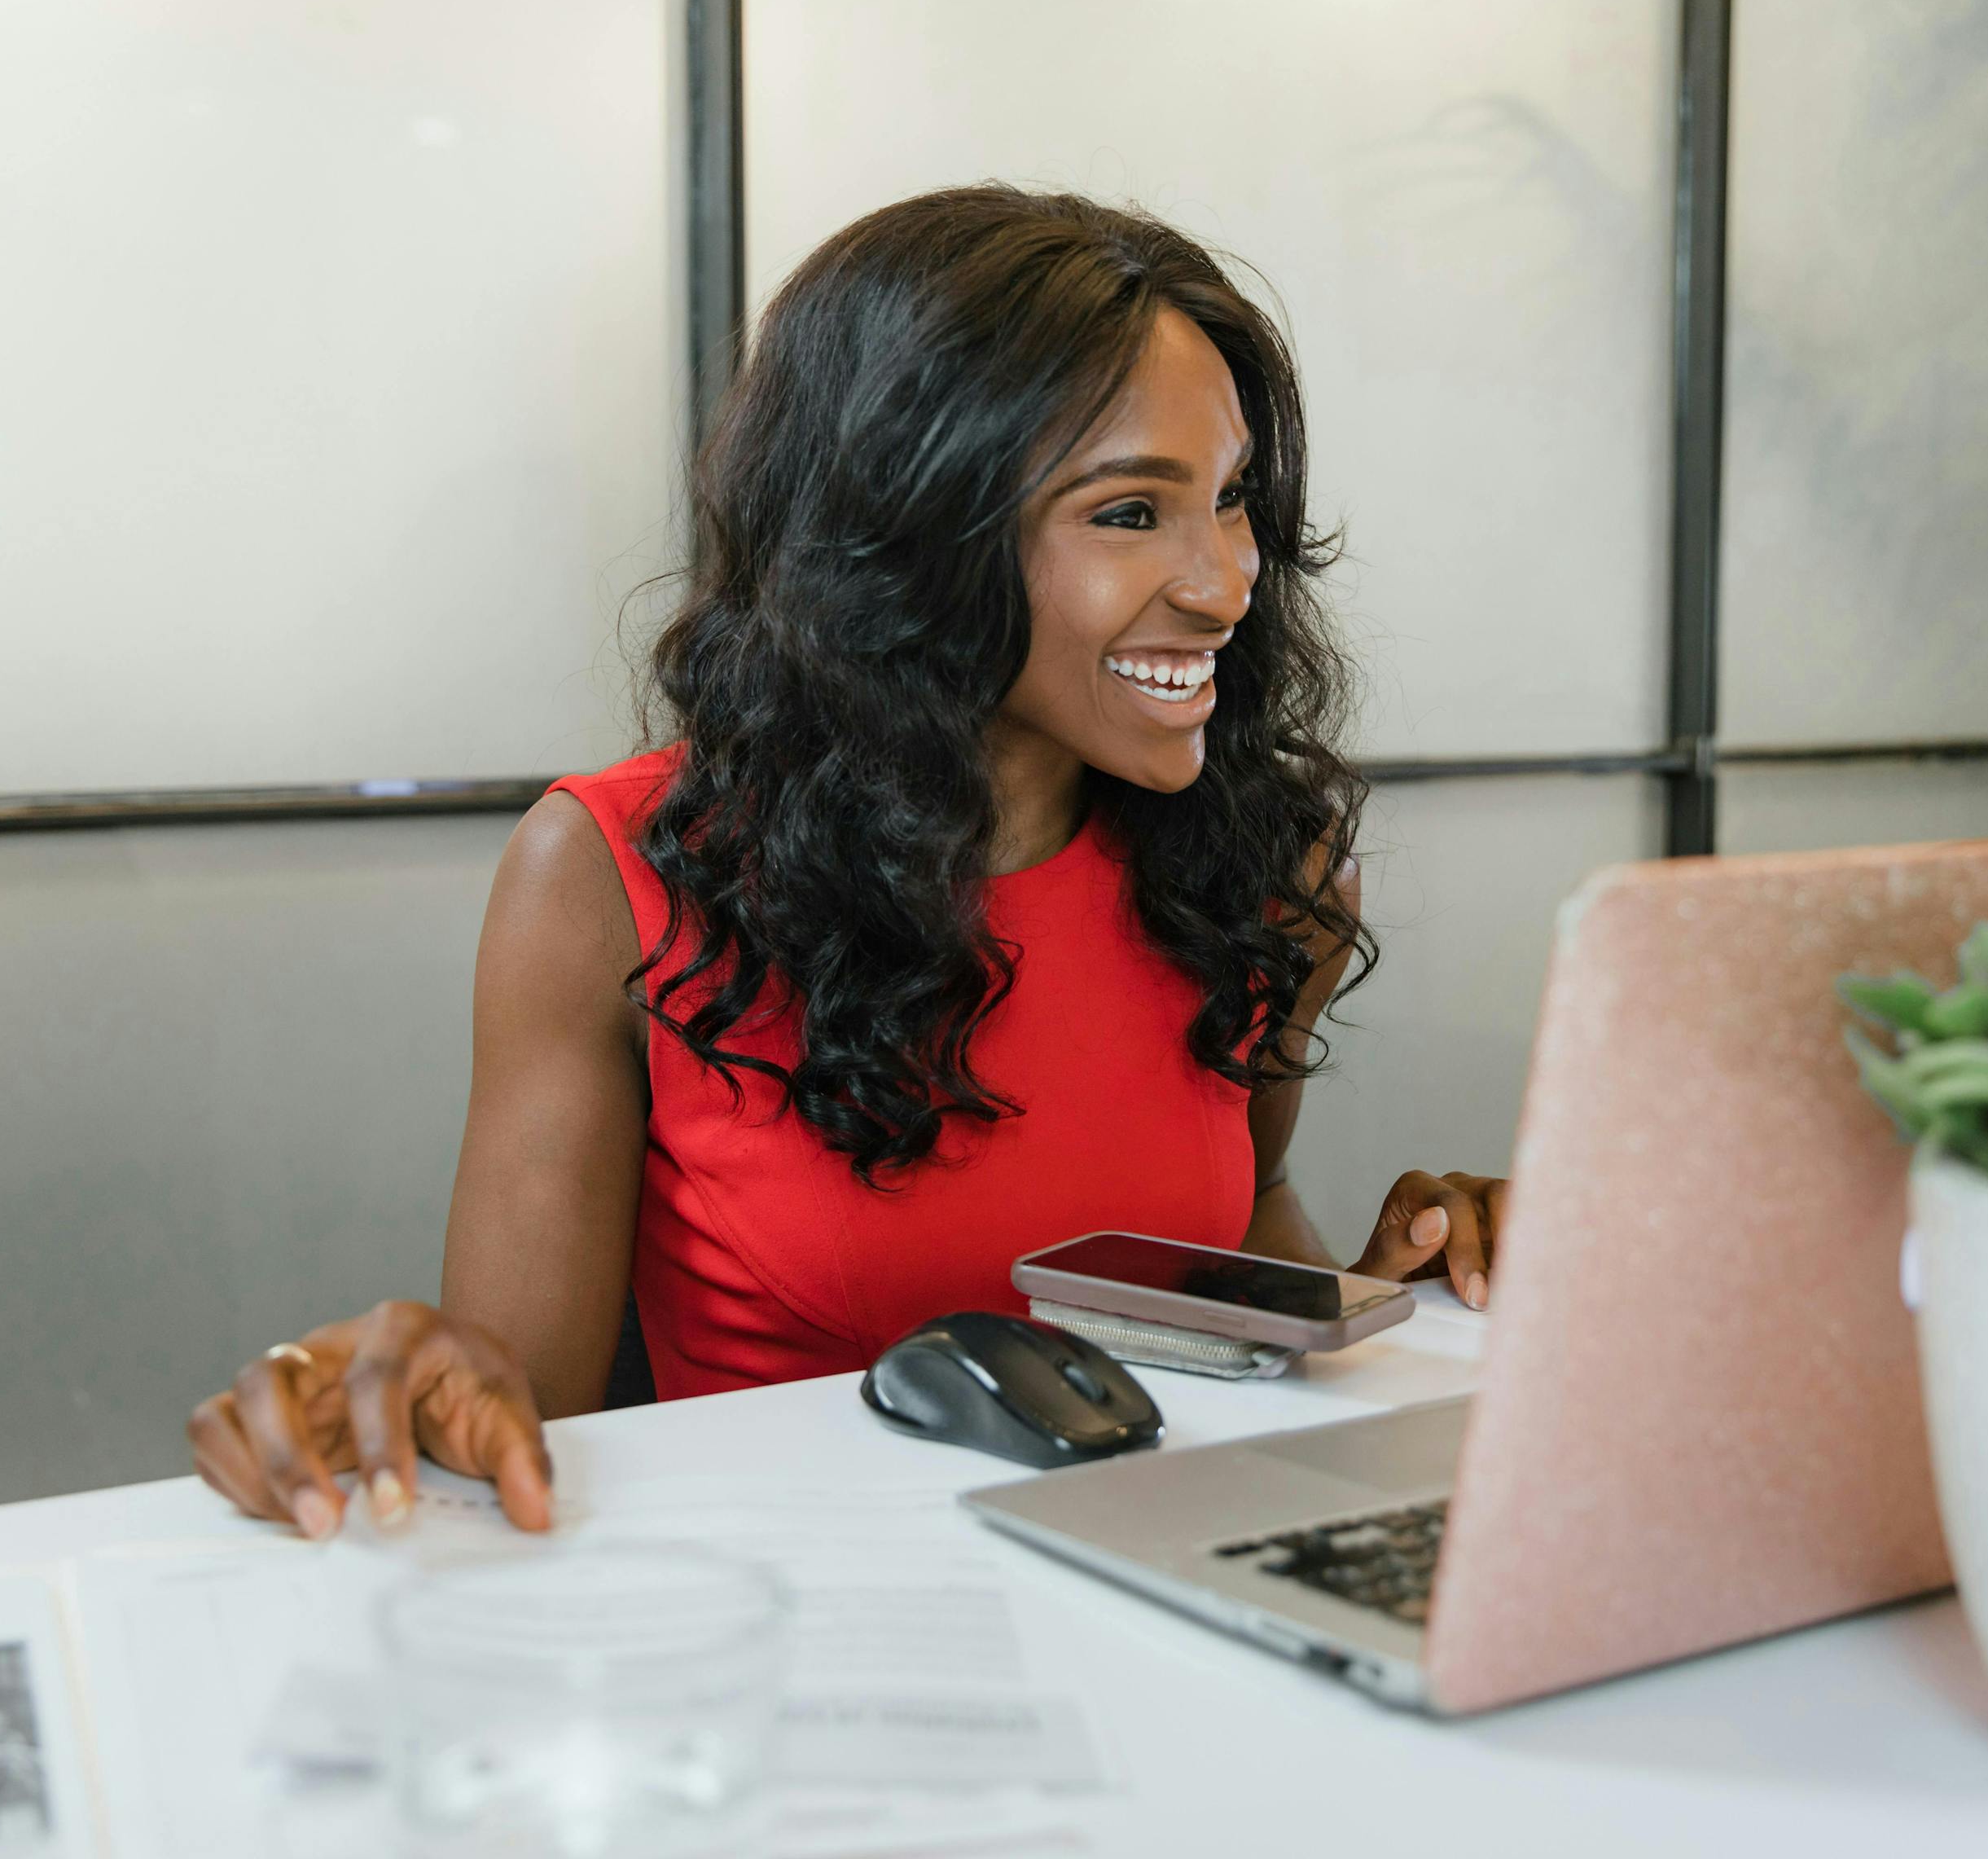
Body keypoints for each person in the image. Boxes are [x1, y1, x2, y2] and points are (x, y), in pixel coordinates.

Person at [187, 187, 1511, 1536]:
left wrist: (1410, 1293)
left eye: (1231, 503)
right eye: (1128, 515)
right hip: (791, 1630)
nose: (1225, 582)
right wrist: (411, 1387)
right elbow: (514, 1425)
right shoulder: (608, 877)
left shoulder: (1268, 866)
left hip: (1164, 1598)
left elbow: (1240, 1232)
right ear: (912, 534)